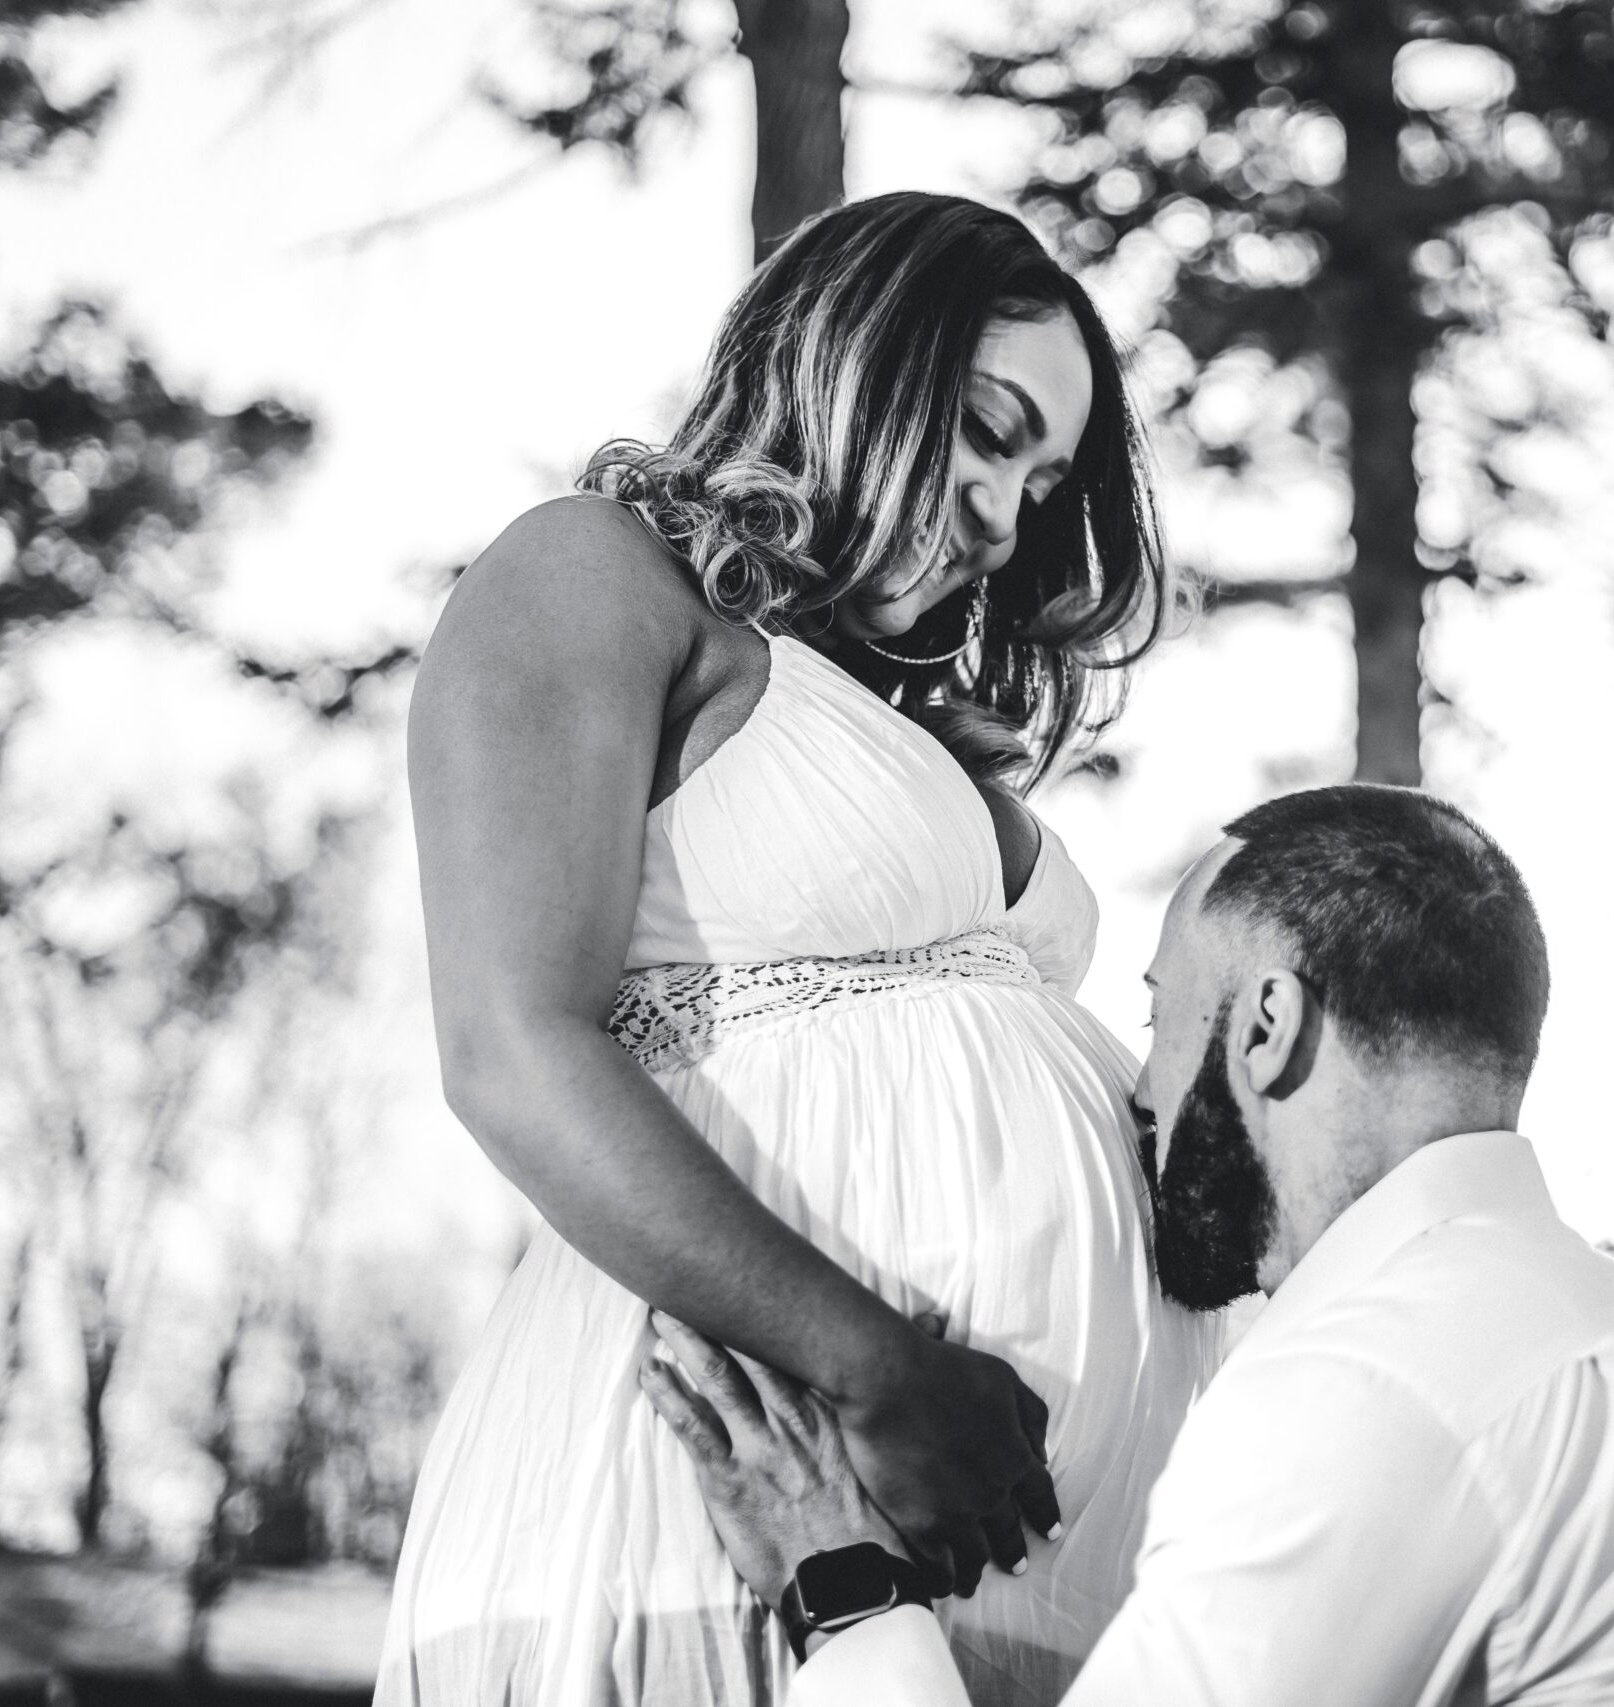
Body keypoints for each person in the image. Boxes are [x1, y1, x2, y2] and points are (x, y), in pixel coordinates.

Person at [375, 193, 1220, 1707]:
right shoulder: (596, 577)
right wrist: (873, 1366)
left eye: (1044, 479)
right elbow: (511, 1046)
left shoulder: (889, 723)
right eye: (985, 428)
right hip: (728, 1503)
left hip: (1024, 1570)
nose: (1007, 515)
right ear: (851, 362)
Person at [643, 786, 1614, 1707]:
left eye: (1159, 1020)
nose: (1138, 1093)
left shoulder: (1380, 1381)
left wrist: (844, 1583)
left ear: (1265, 1028)